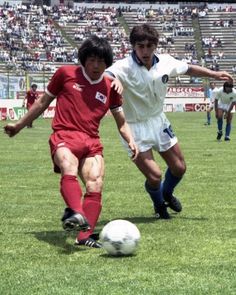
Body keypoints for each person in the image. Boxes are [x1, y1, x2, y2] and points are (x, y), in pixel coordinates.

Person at [4, 35, 139, 248]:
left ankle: (84, 238)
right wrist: (19, 126)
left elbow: (121, 122)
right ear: (84, 59)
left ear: (107, 63)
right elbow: (42, 103)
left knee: (95, 182)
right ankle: (75, 211)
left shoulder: (110, 87)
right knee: (69, 166)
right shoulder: (65, 74)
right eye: (92, 60)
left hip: (91, 141)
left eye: (101, 61)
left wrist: (131, 141)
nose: (96, 65)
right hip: (64, 135)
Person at [106, 24, 233, 219]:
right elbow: (108, 75)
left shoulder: (165, 62)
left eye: (150, 46)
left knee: (179, 168)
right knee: (155, 176)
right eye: (141, 46)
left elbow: (188, 69)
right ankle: (159, 206)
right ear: (133, 46)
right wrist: (112, 81)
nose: (145, 51)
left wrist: (213, 74)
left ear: (155, 46)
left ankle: (166, 193)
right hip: (134, 127)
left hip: (159, 121)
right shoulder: (123, 67)